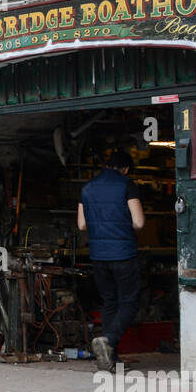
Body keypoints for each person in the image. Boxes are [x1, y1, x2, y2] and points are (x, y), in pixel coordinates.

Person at [77, 149, 145, 371]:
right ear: (125, 168)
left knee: (109, 302)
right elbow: (139, 223)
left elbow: (82, 225)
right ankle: (109, 340)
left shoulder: (87, 188)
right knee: (129, 301)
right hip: (123, 253)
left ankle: (108, 359)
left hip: (98, 255)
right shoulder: (127, 185)